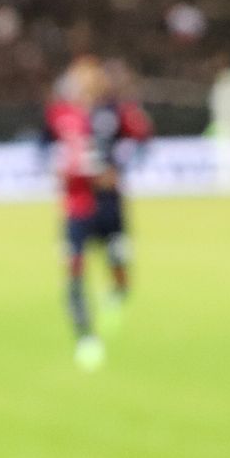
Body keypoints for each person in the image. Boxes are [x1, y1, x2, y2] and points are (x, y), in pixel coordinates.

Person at [44, 55, 153, 370]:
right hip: (76, 209)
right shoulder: (59, 114)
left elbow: (144, 142)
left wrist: (119, 169)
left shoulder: (116, 113)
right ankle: (85, 338)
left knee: (119, 271)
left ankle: (117, 296)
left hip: (109, 206)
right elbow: (42, 148)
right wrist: (54, 167)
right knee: (74, 274)